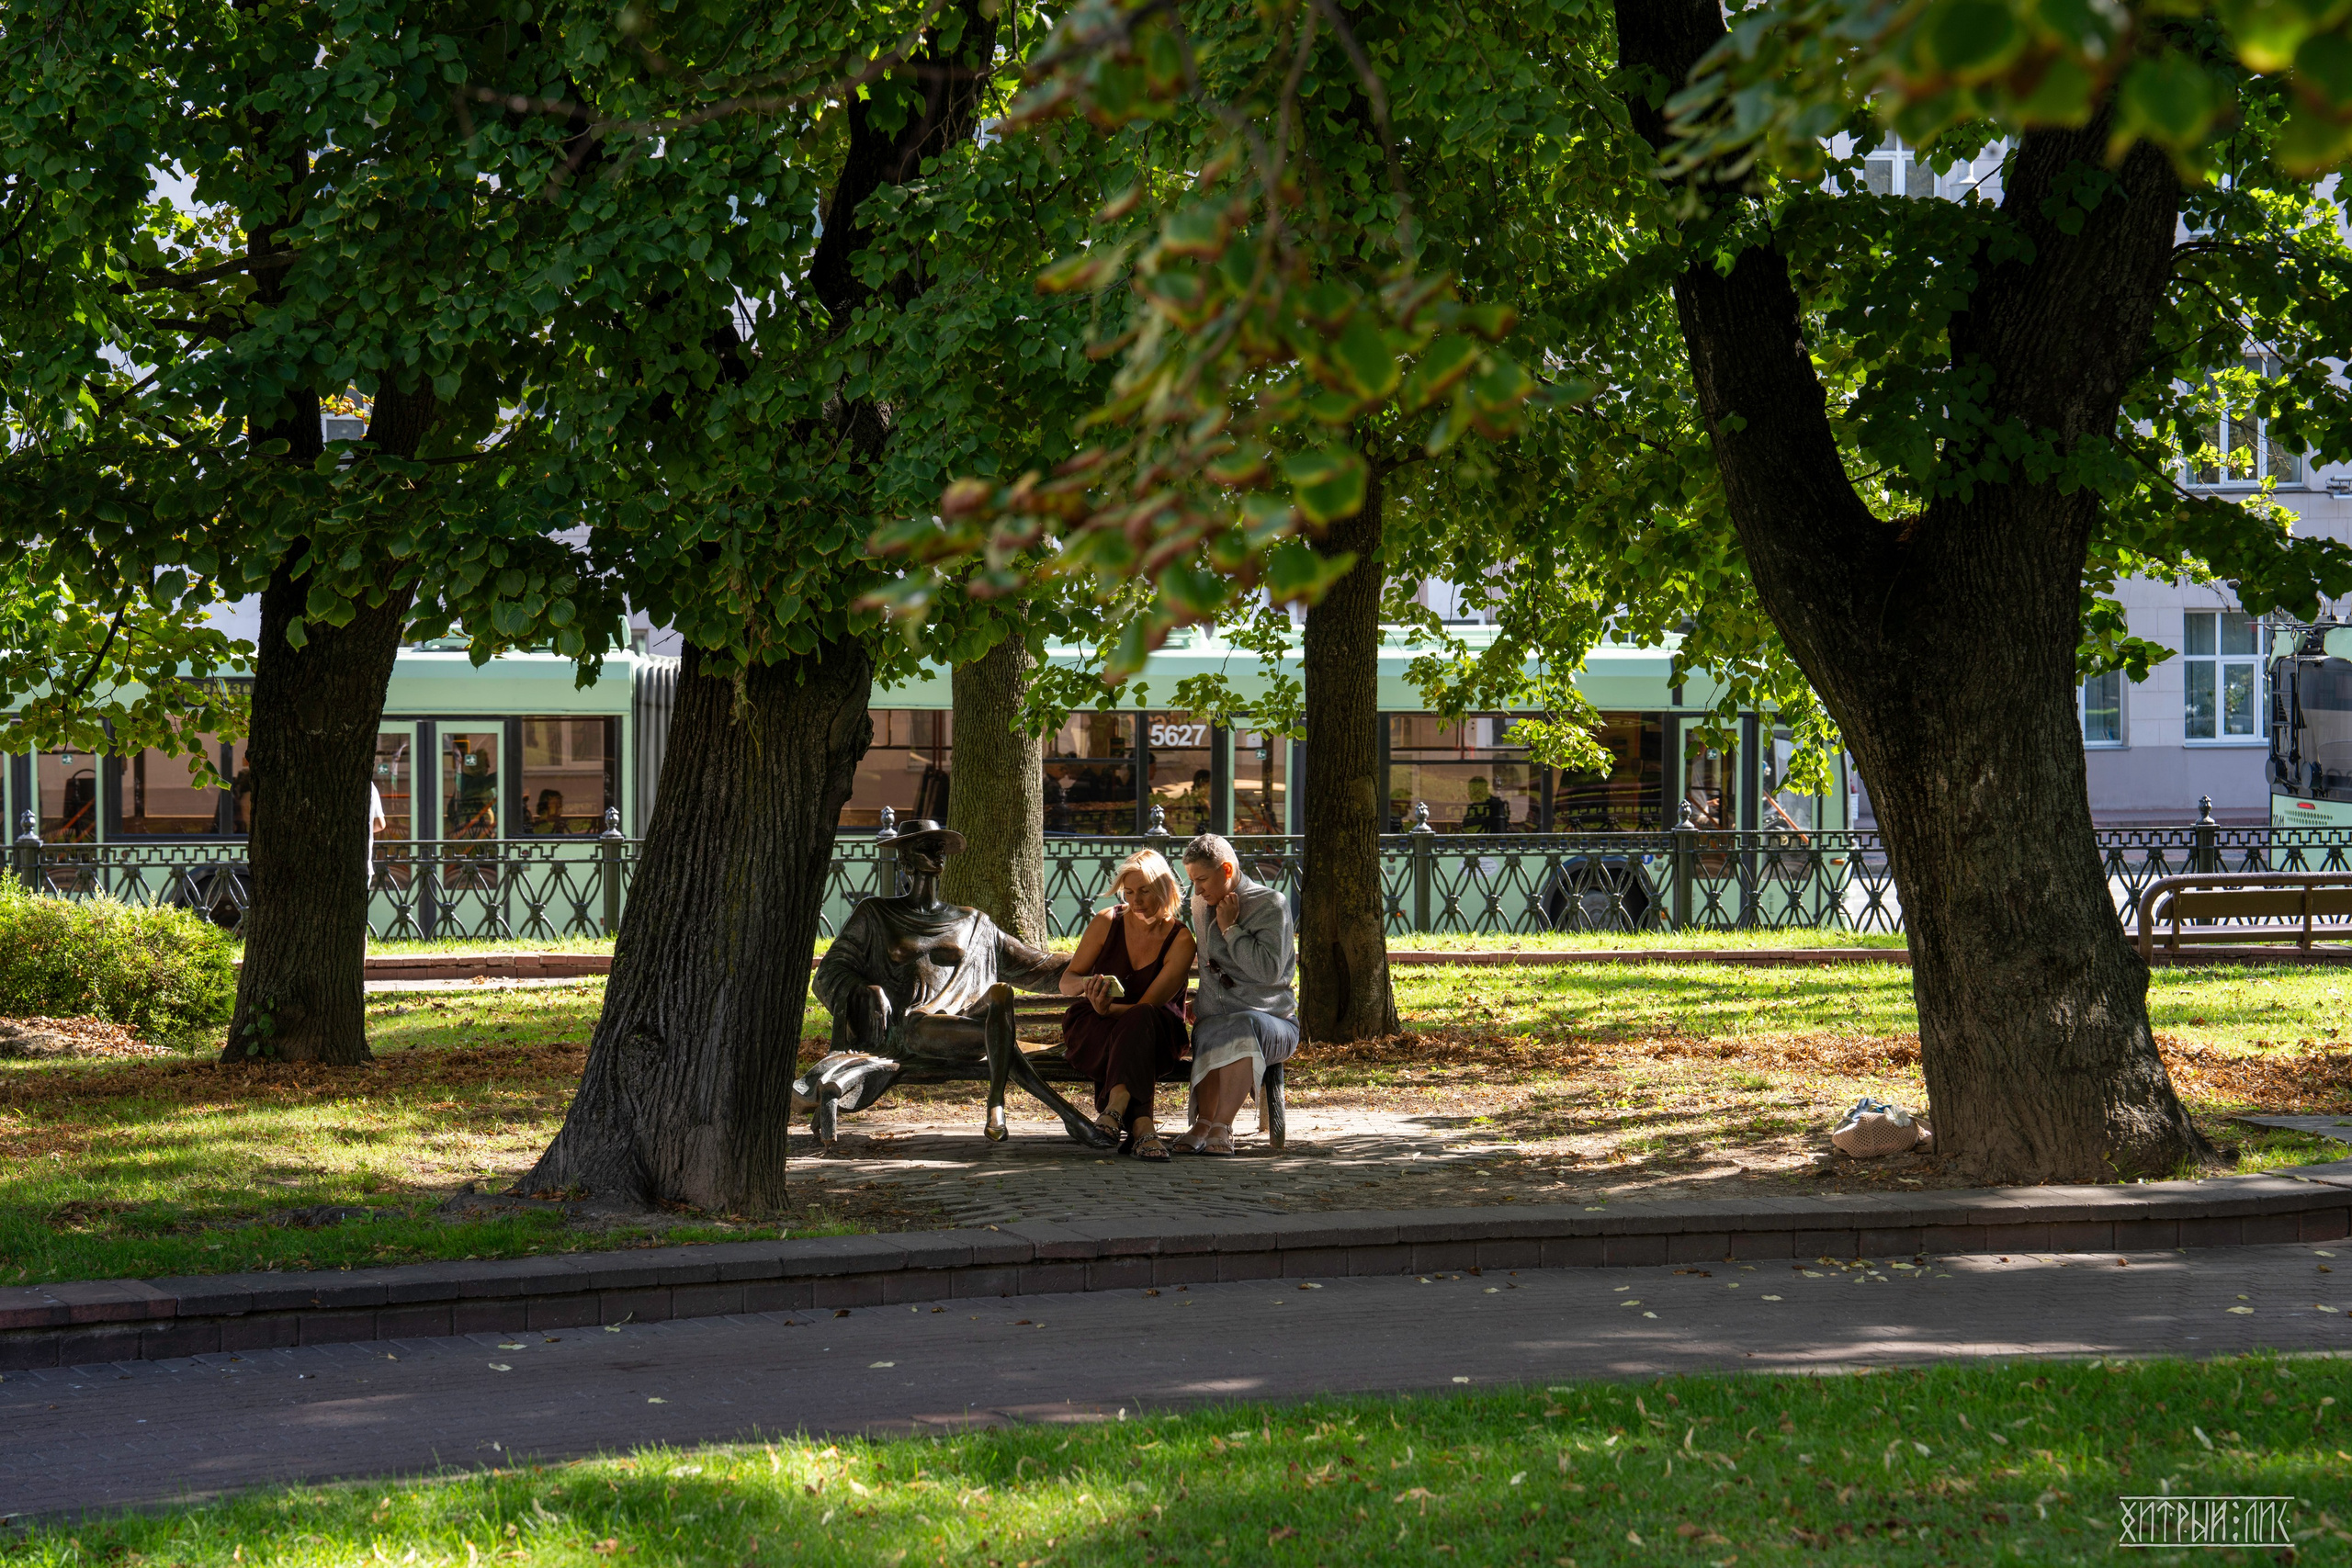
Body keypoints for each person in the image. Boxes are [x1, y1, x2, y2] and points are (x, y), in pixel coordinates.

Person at [1057, 849, 1196, 1160]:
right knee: (1127, 1038)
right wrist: (1089, 987)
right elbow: (1067, 981)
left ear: (1165, 889)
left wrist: (1109, 1010)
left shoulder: (1181, 939)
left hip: (1155, 1028)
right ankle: (1142, 1127)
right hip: (1096, 1023)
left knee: (1139, 1021)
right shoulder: (1107, 921)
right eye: (1129, 891)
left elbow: (1147, 1005)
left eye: (1145, 891)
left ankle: (1115, 1108)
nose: (1136, 900)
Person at [1174, 831, 1297, 1156]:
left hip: (1274, 1022)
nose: (1196, 890)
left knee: (1241, 1027)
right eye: (1192, 880)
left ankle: (1221, 1124)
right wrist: (1198, 1003)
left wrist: (1231, 930)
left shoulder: (1271, 904)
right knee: (1212, 1026)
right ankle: (1203, 1123)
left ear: (1227, 870)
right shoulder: (1202, 903)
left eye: (1202, 880)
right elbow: (1210, 967)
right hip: (1221, 1017)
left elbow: (1269, 973)